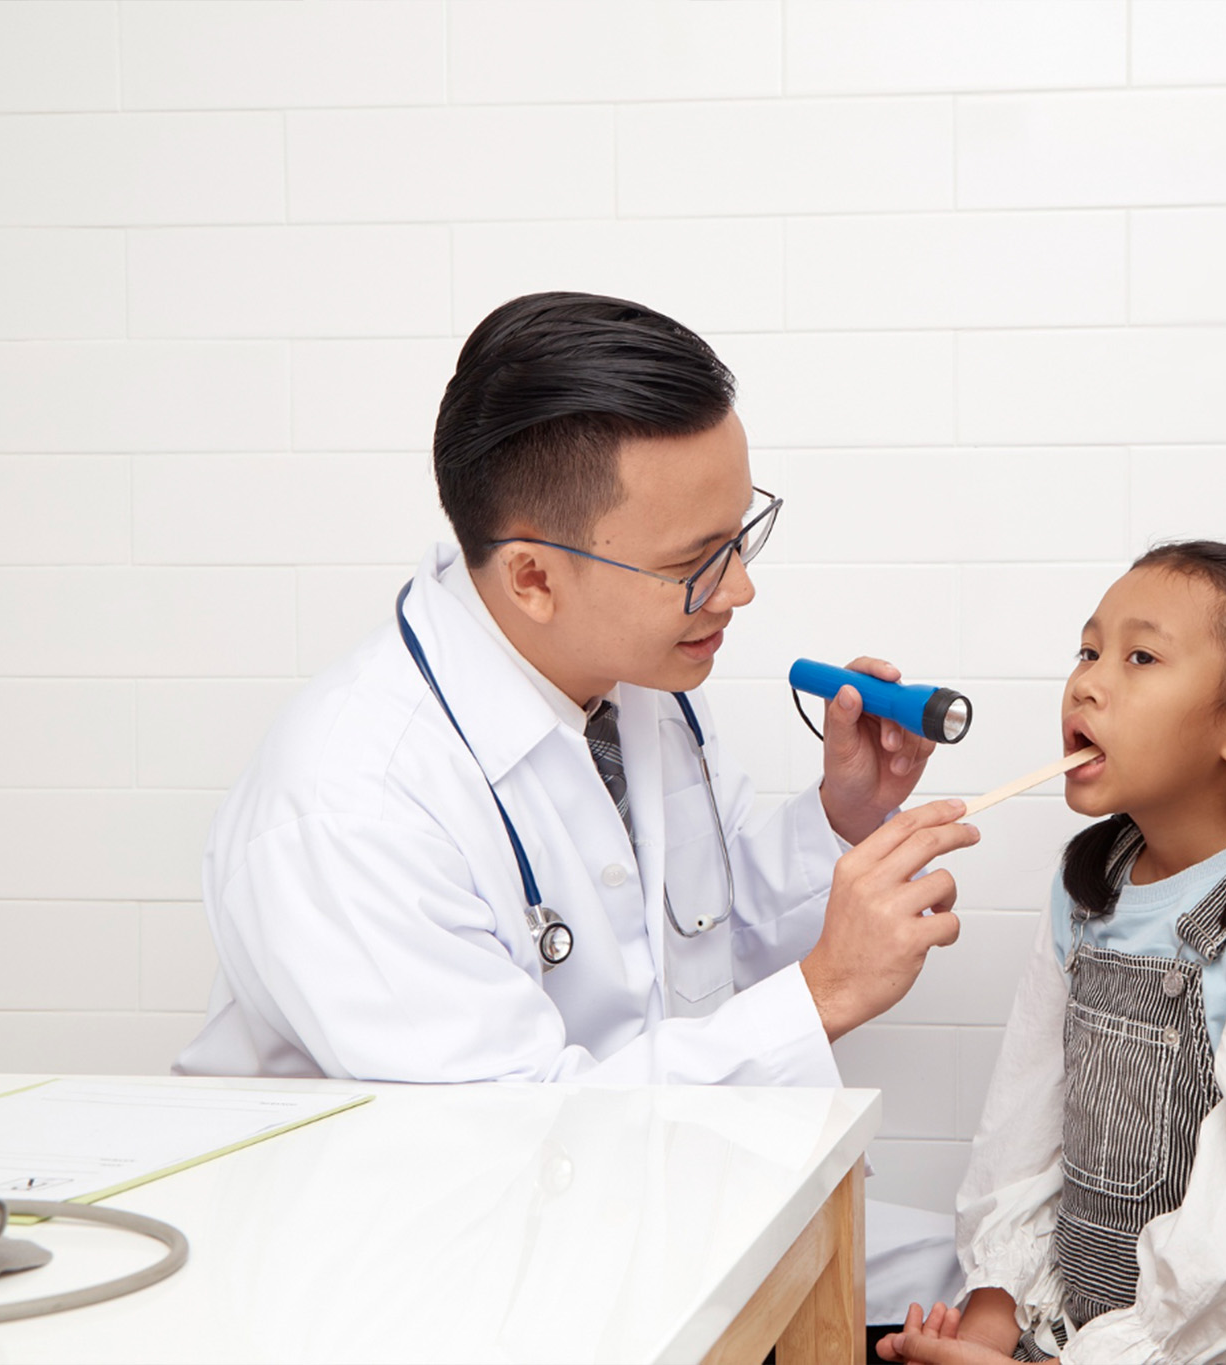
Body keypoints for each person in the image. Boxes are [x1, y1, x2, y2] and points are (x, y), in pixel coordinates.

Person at [175, 291, 977, 1320]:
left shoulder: (632, 679)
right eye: (694, 564)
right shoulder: (351, 802)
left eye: (739, 540)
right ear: (531, 576)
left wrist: (838, 818)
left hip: (620, 1219)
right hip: (411, 1278)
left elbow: (693, 939)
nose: (737, 593)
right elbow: (511, 1150)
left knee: (976, 1284)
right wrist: (821, 995)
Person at [881, 542, 1226, 1365]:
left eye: (1140, 656)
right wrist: (997, 1309)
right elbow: (1021, 1135)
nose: (1089, 681)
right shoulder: (1087, 891)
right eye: (1088, 649)